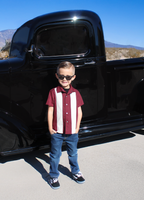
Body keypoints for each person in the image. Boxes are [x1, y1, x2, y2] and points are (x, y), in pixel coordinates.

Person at [46, 61, 85, 189]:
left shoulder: (76, 93)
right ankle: (53, 175)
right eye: (61, 76)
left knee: (73, 153)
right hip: (57, 131)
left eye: (68, 77)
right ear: (57, 76)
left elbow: (79, 111)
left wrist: (77, 127)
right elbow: (50, 110)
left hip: (73, 132)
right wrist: (50, 128)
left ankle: (75, 172)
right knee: (55, 155)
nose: (64, 79)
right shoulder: (53, 92)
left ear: (73, 77)